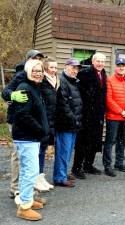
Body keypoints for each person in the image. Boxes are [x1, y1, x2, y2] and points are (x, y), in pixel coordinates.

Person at [2, 50, 45, 197]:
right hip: (17, 120)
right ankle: (16, 189)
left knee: (29, 160)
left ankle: (29, 190)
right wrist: (12, 95)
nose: (37, 60)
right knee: (18, 156)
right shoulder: (21, 74)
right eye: (35, 58)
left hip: (32, 122)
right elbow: (5, 91)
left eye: (40, 59)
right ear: (28, 60)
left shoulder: (40, 76)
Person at [12, 60, 48, 221]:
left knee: (28, 171)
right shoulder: (25, 88)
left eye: (40, 70)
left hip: (31, 138)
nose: (38, 73)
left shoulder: (34, 87)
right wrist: (39, 129)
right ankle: (24, 207)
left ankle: (27, 199)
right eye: (34, 70)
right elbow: (22, 115)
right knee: (30, 172)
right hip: (26, 138)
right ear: (27, 71)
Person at [72, 53, 107, 179]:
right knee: (82, 142)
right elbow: (80, 94)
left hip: (98, 114)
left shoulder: (103, 74)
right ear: (93, 61)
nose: (100, 63)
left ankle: (88, 165)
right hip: (86, 114)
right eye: (98, 61)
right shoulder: (85, 73)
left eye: (102, 61)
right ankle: (76, 168)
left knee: (94, 141)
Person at [103, 58, 125, 176]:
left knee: (122, 141)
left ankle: (119, 163)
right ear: (115, 67)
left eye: (123, 65)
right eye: (119, 65)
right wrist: (121, 111)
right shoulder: (109, 80)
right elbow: (109, 99)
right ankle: (107, 166)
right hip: (113, 117)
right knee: (110, 141)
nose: (121, 67)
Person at [53, 59, 83, 187]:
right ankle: (60, 177)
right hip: (65, 124)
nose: (75, 71)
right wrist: (74, 120)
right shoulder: (63, 82)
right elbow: (63, 105)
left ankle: (63, 173)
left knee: (67, 151)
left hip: (73, 124)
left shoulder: (73, 82)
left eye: (77, 69)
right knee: (63, 152)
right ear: (66, 67)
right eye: (73, 68)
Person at [34, 58, 59, 191]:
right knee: (38, 151)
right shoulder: (42, 82)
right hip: (43, 120)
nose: (54, 70)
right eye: (51, 67)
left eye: (56, 68)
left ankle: (41, 176)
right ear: (45, 68)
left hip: (51, 120)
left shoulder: (56, 81)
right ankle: (35, 179)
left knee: (43, 150)